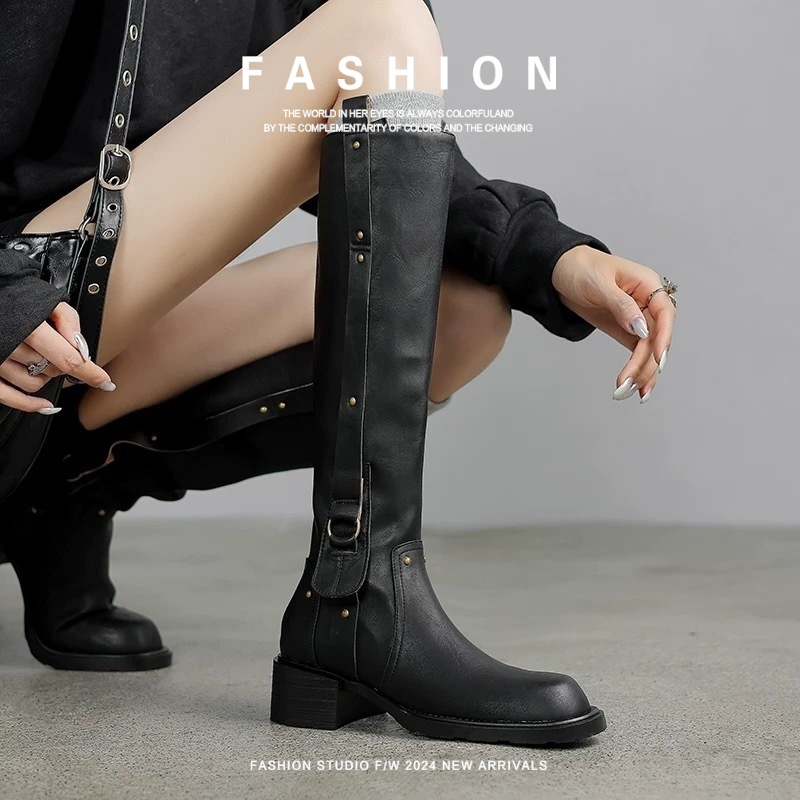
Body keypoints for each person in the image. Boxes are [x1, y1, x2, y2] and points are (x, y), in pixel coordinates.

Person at [0, 0, 676, 743]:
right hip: (13, 296)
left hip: (67, 330)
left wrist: (553, 256)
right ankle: (358, 606)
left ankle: (62, 496)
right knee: (379, 24)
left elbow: (373, 119)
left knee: (462, 313)